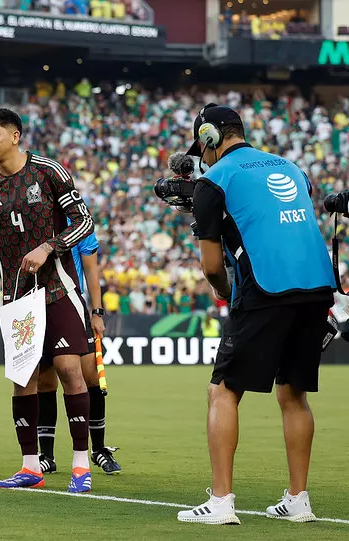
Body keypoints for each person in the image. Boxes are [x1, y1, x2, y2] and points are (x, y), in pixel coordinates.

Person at [177, 104, 335, 525]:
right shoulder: (292, 166)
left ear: (210, 137)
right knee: (292, 391)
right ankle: (298, 499)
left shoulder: (215, 179)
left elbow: (212, 267)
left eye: (202, 147)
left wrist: (228, 295)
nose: (202, 156)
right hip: (318, 287)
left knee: (223, 390)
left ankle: (222, 502)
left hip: (266, 286)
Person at [0, 108, 97, 493]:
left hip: (58, 288)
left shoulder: (48, 172)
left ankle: (81, 465)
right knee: (23, 380)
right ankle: (30, 467)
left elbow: (84, 222)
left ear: (15, 136)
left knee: (68, 369)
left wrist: (49, 247)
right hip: (16, 296)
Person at [36, 228, 121, 475]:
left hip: (72, 305)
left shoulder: (79, 223)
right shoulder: (37, 215)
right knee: (45, 381)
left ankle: (99, 449)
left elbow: (92, 271)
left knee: (90, 376)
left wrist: (97, 312)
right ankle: (47, 455)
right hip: (37, 304)